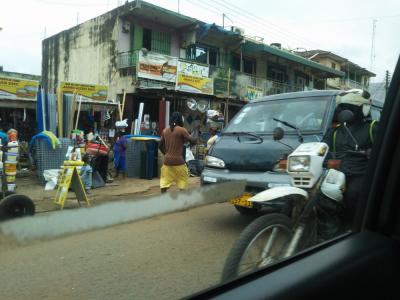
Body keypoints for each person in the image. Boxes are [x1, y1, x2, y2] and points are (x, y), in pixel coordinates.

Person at [318, 89, 378, 238]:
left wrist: (372, 152)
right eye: (343, 108)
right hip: (338, 172)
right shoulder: (336, 131)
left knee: (353, 194)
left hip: (360, 172)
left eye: (351, 108)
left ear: (364, 109)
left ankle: (355, 229)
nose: (346, 112)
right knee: (319, 194)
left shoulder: (373, 127)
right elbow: (322, 148)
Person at [159, 112, 197, 193]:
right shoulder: (181, 130)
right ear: (180, 120)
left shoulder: (165, 130)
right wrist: (194, 139)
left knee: (164, 183)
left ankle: (162, 200)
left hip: (167, 162)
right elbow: (193, 141)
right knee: (182, 181)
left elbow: (160, 145)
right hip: (178, 162)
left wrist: (166, 153)